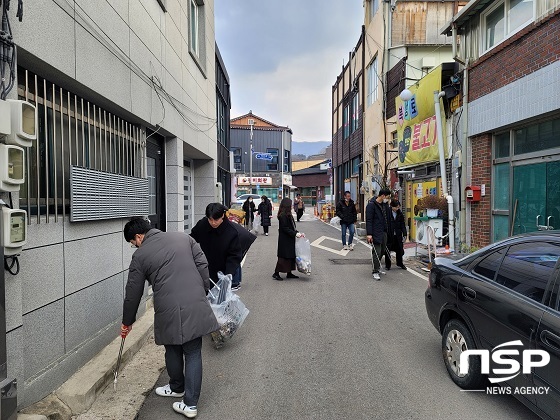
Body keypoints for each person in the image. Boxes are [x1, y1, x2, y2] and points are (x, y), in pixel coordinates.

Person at [121, 217, 219, 419]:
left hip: (167, 307)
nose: (135, 247)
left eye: (133, 243)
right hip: (194, 300)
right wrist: (203, 290)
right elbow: (202, 263)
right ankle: (177, 388)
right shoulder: (183, 238)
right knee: (192, 351)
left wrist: (127, 321)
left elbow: (133, 292)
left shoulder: (140, 256)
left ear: (139, 236)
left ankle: (189, 403)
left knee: (173, 345)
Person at [190, 203, 244, 291]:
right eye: (210, 219)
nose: (213, 223)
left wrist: (228, 276)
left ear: (222, 215)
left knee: (221, 301)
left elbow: (234, 256)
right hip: (206, 269)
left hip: (223, 271)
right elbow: (192, 239)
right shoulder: (202, 224)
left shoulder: (231, 231)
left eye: (216, 219)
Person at [273, 197, 304, 281]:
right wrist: (295, 233)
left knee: (291, 256)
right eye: (290, 205)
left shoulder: (288, 214)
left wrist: (297, 233)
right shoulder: (283, 216)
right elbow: (285, 228)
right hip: (285, 239)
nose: (292, 206)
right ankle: (276, 273)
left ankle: (289, 272)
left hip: (289, 238)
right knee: (283, 257)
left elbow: (291, 227)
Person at [366, 188, 391, 281]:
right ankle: (375, 271)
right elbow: (369, 220)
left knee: (383, 250)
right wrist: (369, 234)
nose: (387, 199)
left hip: (384, 231)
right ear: (383, 196)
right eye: (387, 197)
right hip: (375, 231)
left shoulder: (385, 206)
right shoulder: (371, 205)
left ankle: (378, 266)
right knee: (377, 251)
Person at [390, 199, 407, 270]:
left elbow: (403, 224)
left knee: (399, 249)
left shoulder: (400, 214)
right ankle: (388, 265)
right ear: (392, 206)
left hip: (398, 234)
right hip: (390, 234)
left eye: (398, 207)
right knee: (388, 249)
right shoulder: (388, 213)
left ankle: (400, 263)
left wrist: (405, 234)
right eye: (396, 207)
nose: (397, 209)